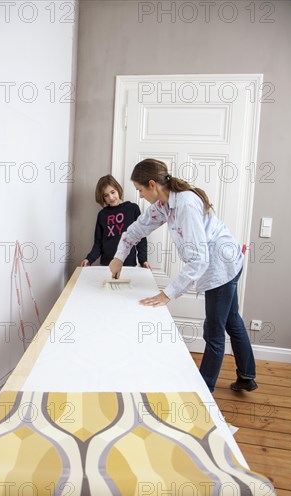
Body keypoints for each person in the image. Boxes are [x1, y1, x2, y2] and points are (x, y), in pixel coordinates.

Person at [109, 159, 257, 394]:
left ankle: (202, 390)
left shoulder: (186, 204)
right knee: (231, 320)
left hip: (222, 265)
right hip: (224, 260)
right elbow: (137, 228)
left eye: (140, 190)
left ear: (152, 184)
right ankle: (247, 376)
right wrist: (119, 256)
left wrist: (168, 294)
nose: (140, 196)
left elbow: (200, 259)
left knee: (214, 331)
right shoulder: (163, 205)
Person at [81, 174, 151, 269]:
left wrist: (143, 260)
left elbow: (141, 237)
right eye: (106, 195)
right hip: (107, 264)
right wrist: (89, 259)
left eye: (112, 192)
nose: (111, 197)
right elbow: (98, 243)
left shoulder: (132, 209)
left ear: (118, 189)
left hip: (128, 264)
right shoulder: (102, 215)